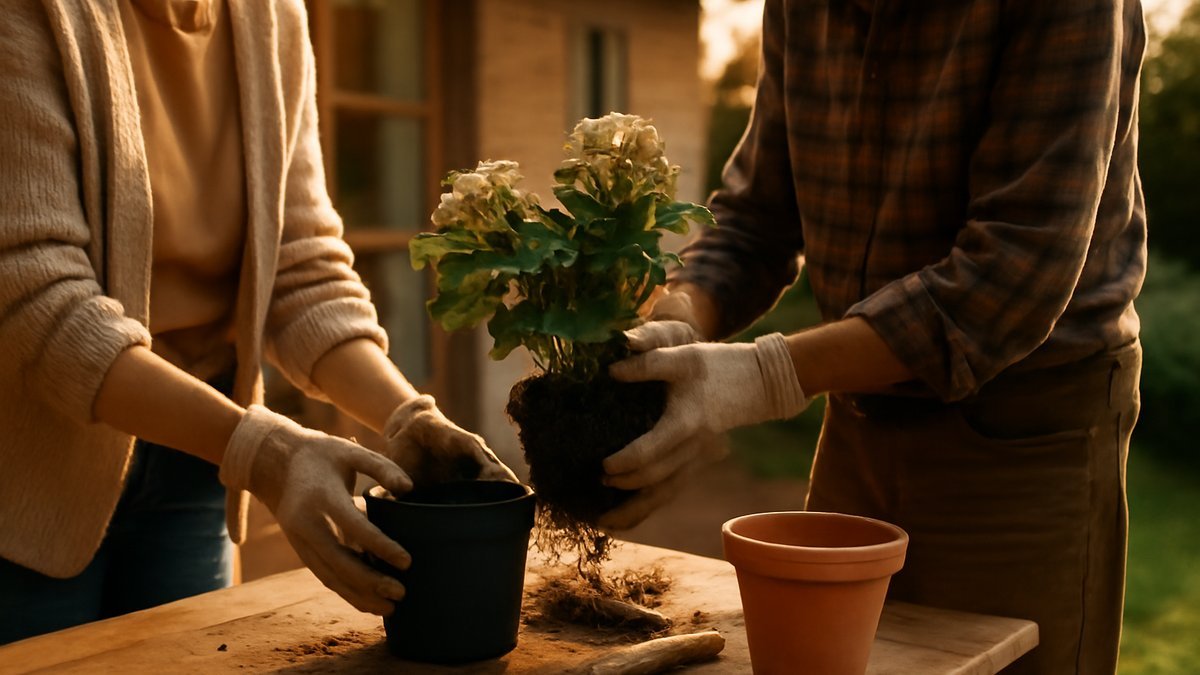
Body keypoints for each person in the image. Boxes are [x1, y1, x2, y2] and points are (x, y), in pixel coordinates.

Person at [598, 1, 1146, 673]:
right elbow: (757, 219)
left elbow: (1012, 272)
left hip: (1022, 431)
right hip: (861, 409)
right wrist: (679, 319)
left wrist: (762, 376)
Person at [0, 0, 515, 644]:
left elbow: (302, 271)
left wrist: (406, 415)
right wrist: (264, 451)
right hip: (29, 471)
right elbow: (40, 302)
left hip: (199, 455)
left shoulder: (271, 15)